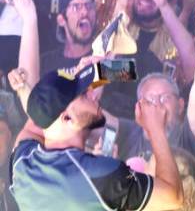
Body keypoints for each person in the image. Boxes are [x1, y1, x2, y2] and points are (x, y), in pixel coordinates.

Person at [10, 63, 183, 210]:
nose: (94, 94)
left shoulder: (22, 162)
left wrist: (106, 66)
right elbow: (173, 197)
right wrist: (155, 129)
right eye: (84, 94)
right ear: (67, 118)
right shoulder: (101, 173)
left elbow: (38, 117)